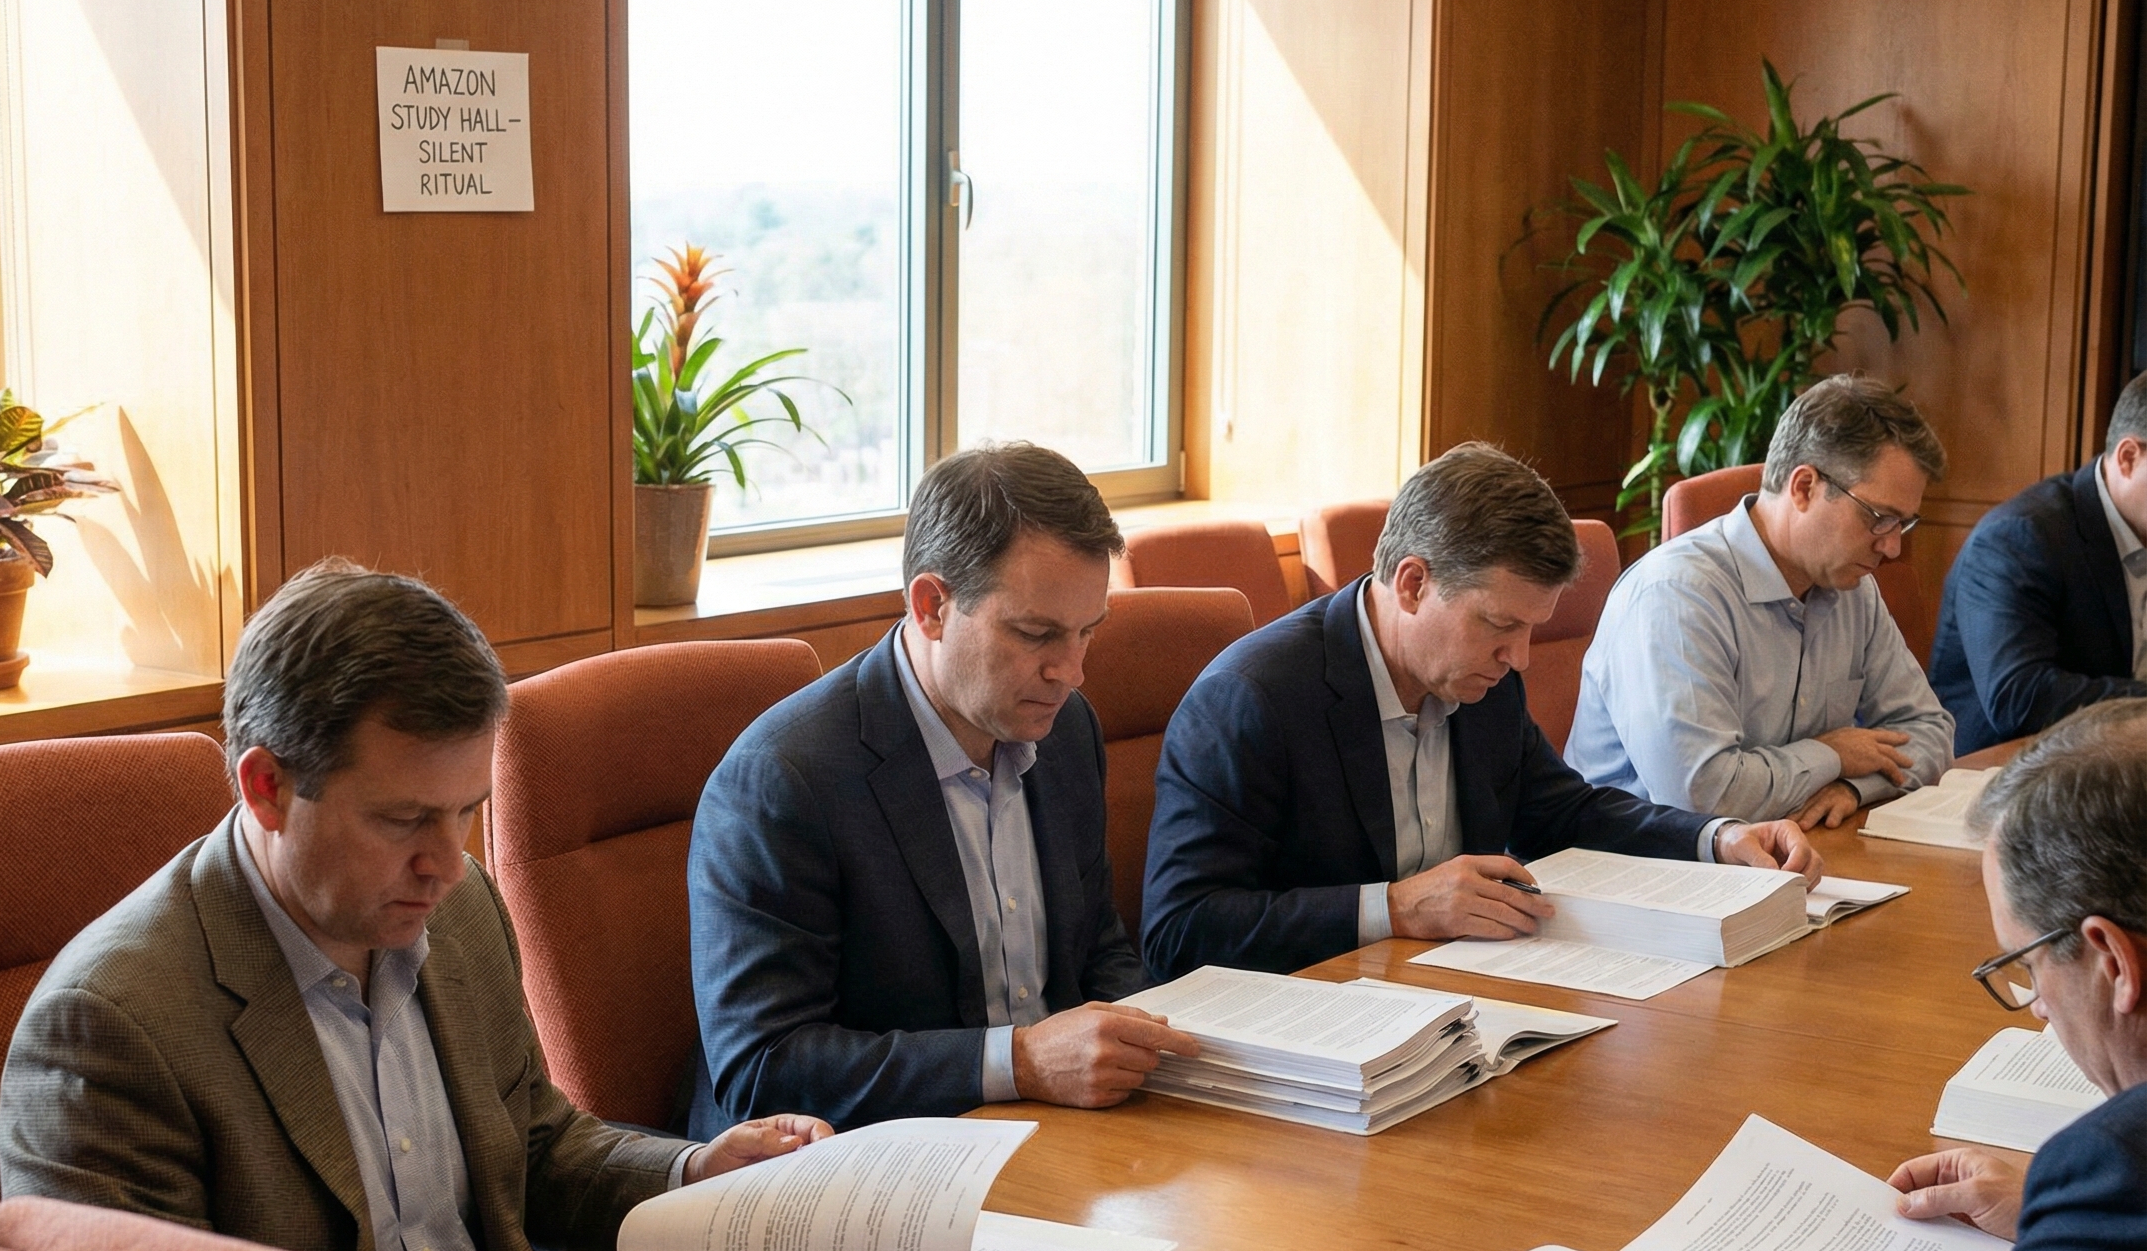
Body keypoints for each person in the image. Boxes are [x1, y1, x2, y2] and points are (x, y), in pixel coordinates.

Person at [0, 562, 826, 1251]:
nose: (450, 861)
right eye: (404, 820)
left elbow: (532, 1150)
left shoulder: (456, 913)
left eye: (467, 812)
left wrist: (696, 1173)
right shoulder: (111, 1028)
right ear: (267, 789)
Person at [1141, 442, 1820, 981]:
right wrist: (1397, 907)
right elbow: (1181, 930)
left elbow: (1564, 813)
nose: (1521, 657)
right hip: (1313, 1035)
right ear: (1413, 584)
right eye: (1500, 625)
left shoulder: (1481, 678)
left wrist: (1719, 839)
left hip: (1453, 1001)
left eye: (1531, 629)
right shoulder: (1253, 699)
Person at [687, 442, 1194, 1136]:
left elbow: (1097, 947)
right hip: (866, 1167)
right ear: (931, 606)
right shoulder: (784, 780)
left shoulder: (1067, 730)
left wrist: (1155, 1042)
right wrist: (1018, 1062)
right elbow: (764, 1067)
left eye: (1087, 633)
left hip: (1055, 1133)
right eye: (1037, 634)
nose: (1071, 672)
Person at [1831, 700, 2147, 1251]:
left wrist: (2072, 1246)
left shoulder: (2119, 1175)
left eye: (2029, 964)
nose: (2040, 1006)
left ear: (2112, 961)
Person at [1564, 375, 1954, 827]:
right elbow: (1701, 795)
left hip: (1781, 855)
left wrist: (1853, 785)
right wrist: (1831, 755)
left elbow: (1930, 733)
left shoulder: (1853, 592)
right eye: (1879, 518)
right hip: (1643, 870)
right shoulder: (1676, 595)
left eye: (1902, 524)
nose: (1891, 548)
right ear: (1804, 487)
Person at [1929, 370, 2147, 753]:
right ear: (2129, 458)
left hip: (2112, 756)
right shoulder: (2020, 537)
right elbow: (2019, 698)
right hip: (2006, 774)